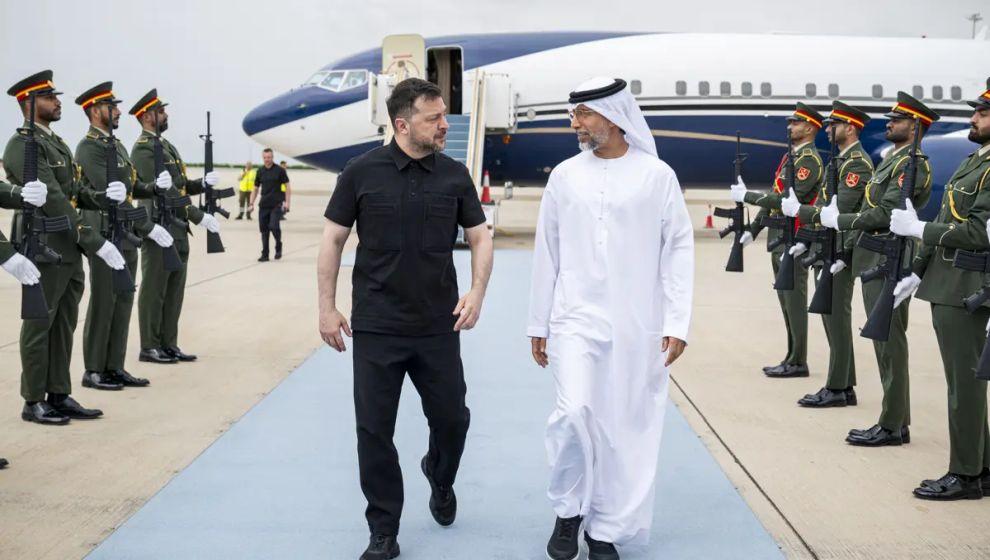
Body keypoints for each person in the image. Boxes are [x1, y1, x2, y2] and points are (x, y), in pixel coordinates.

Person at [317, 77, 494, 560]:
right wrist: (327, 307)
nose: (444, 125)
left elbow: (480, 236)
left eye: (444, 116)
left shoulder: (454, 175)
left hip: (438, 325)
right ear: (402, 124)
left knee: (453, 420)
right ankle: (384, 529)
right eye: (434, 118)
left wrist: (477, 292)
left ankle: (439, 473)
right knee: (374, 430)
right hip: (377, 325)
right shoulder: (360, 172)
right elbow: (333, 239)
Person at [528, 77, 693, 560]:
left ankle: (605, 530)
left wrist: (677, 322)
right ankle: (568, 511)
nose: (574, 124)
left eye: (583, 115)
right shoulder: (564, 176)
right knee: (573, 412)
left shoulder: (657, 176)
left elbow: (678, 250)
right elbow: (547, 252)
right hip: (574, 319)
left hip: (636, 322)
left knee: (625, 428)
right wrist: (538, 322)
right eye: (573, 115)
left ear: (613, 116)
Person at [3, 70, 127, 424]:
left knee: (64, 325)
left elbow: (74, 192)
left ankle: (58, 392)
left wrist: (103, 197)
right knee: (39, 324)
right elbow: (54, 200)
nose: (57, 102)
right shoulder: (21, 145)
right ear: (28, 103)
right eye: (49, 97)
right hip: (44, 247)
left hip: (68, 250)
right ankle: (33, 400)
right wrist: (95, 241)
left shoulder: (55, 142)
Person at [889, 81, 990, 499]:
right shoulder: (975, 162)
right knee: (963, 382)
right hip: (947, 282)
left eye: (982, 113)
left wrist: (918, 229)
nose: (973, 118)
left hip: (967, 287)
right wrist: (918, 269)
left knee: (964, 385)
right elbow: (950, 218)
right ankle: (981, 468)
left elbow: (978, 232)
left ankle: (965, 475)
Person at [819, 91, 936, 446]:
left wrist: (842, 221)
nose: (890, 123)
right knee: (883, 342)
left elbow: (885, 212)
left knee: (890, 343)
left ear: (915, 126)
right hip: (874, 256)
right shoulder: (892, 161)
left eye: (897, 120)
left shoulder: (913, 164)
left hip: (889, 258)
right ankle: (894, 421)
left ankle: (892, 424)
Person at [73, 82, 175, 390]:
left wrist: (152, 188)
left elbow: (129, 189)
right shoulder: (89, 147)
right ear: (95, 111)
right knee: (104, 302)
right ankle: (94, 369)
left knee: (123, 301)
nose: (118, 111)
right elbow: (109, 194)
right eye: (112, 107)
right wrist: (147, 226)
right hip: (105, 233)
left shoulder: (115, 145)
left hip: (125, 233)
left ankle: (114, 366)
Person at [781, 101, 874, 407]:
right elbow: (825, 206)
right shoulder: (839, 161)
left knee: (836, 318)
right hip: (827, 245)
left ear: (851, 128)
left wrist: (800, 212)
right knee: (829, 316)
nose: (829, 129)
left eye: (835, 124)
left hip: (840, 250)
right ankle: (843, 385)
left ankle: (837, 387)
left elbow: (839, 210)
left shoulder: (857, 164)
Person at [732, 103, 824, 378]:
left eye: (796, 123)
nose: (789, 127)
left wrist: (748, 196)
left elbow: (785, 201)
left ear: (810, 128)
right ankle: (791, 356)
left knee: (794, 302)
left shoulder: (809, 160)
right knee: (785, 302)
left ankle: (798, 360)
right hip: (780, 238)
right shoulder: (790, 157)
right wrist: (754, 229)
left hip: (795, 238)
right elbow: (774, 196)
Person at [129, 88, 221, 364]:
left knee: (174, 291)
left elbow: (179, 186)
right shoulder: (143, 148)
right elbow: (164, 193)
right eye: (160, 111)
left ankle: (169, 343)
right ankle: (149, 345)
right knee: (154, 290)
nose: (166, 114)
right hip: (159, 227)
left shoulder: (166, 146)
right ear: (147, 117)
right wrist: (196, 214)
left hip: (177, 227)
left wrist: (201, 184)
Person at [248, 148, 290, 261]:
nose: (267, 159)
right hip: (263, 205)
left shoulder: (280, 170)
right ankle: (265, 254)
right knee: (264, 230)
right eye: (265, 157)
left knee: (274, 226)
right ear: (263, 158)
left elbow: (287, 187)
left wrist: (287, 203)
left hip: (276, 204)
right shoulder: (260, 171)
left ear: (272, 157)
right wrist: (251, 203)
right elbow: (255, 188)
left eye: (269, 157)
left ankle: (278, 245)